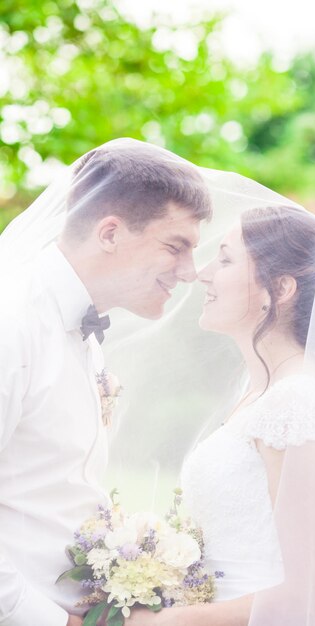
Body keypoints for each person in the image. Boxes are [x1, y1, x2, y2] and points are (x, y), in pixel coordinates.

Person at [122, 203, 315, 626]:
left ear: (280, 289)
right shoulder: (264, 395)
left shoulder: (298, 401)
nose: (203, 272)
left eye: (224, 259)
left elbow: (306, 603)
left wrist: (160, 621)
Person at [0, 139, 211, 626]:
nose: (189, 272)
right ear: (110, 232)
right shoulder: (12, 323)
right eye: (175, 246)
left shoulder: (86, 335)